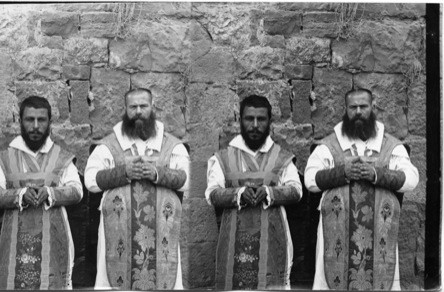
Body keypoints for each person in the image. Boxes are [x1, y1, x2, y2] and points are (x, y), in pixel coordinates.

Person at [304, 88, 419, 290]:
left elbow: (411, 179)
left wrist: (376, 174)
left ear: (373, 107)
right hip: (336, 233)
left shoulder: (391, 146)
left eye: (363, 106)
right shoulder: (329, 146)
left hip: (380, 235)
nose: (358, 112)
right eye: (353, 107)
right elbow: (310, 180)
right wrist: (343, 172)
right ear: (345, 109)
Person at [84, 88, 189, 290]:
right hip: (117, 232)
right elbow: (90, 180)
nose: (138, 111)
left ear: (153, 107)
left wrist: (157, 173)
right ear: (125, 110)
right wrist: (124, 172)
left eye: (143, 106)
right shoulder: (109, 146)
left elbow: (186, 180)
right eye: (133, 107)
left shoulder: (172, 146)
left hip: (161, 233)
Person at [205, 94, 302, 290]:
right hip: (233, 242)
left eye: (261, 119)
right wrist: (238, 194)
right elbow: (212, 194)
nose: (255, 125)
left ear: (270, 122)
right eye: (249, 119)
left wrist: (269, 193)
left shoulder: (281, 157)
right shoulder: (222, 158)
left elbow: (296, 190)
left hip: (272, 242)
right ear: (240, 120)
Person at [0, 96, 83, 289]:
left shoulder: (62, 158)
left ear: (50, 122)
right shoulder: (3, 159)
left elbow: (77, 191)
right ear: (20, 121)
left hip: (54, 244)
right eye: (30, 119)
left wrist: (50, 193)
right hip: (14, 245)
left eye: (41, 120)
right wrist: (19, 195)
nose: (36, 126)